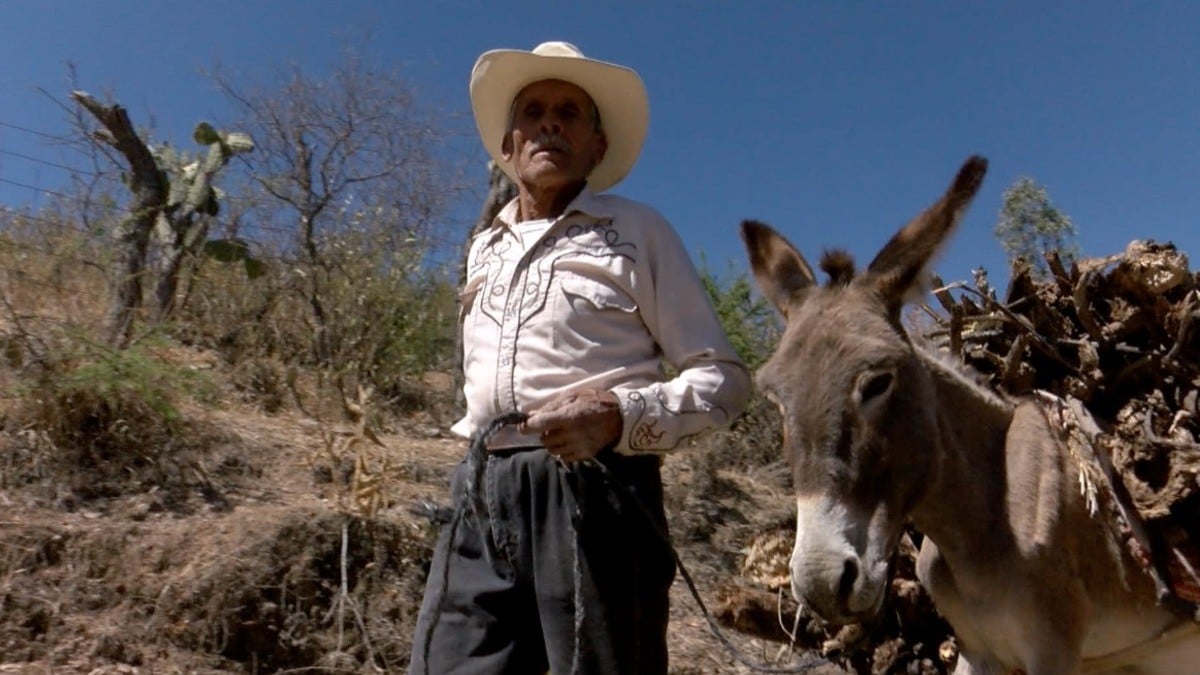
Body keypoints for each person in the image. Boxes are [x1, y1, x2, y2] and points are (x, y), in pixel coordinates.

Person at [408, 41, 751, 675]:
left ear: (596, 146)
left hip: (598, 486)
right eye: (533, 111)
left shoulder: (639, 230)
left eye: (570, 112)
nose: (550, 123)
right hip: (481, 487)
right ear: (508, 147)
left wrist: (619, 415)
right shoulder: (483, 250)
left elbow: (724, 382)